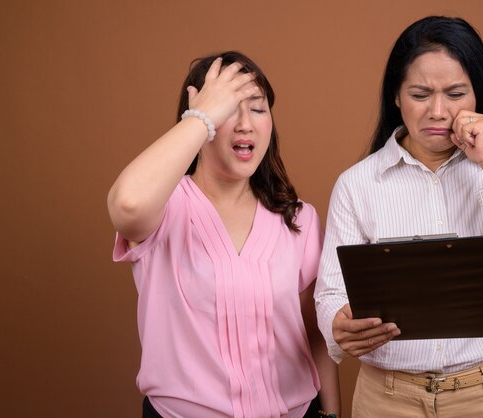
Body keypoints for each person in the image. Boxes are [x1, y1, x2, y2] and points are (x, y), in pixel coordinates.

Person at [314, 16, 483, 418]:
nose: (438, 112)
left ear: (479, 95)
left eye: (456, 93)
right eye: (420, 94)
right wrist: (337, 325)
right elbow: (331, 293)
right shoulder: (357, 183)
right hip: (386, 400)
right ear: (396, 96)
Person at [108, 51, 340, 418]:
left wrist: (330, 413)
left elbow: (315, 332)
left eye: (258, 108)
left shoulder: (299, 218)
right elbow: (128, 206)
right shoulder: (164, 208)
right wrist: (201, 118)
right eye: (229, 109)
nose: (245, 124)